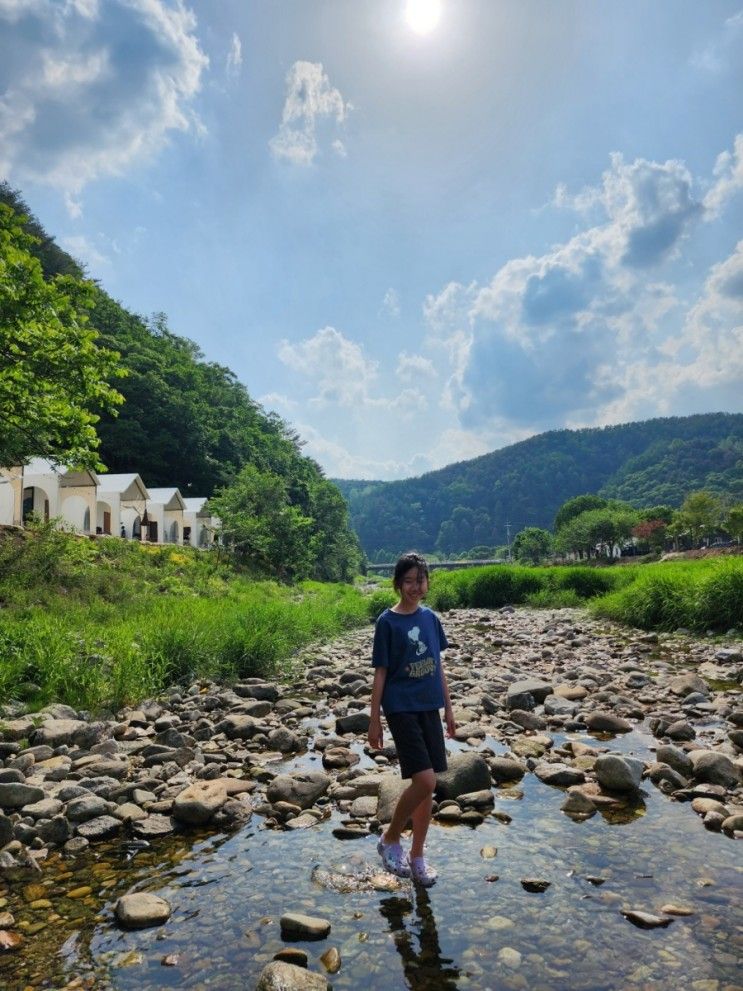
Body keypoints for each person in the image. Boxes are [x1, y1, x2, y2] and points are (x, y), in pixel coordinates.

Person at [368, 551, 456, 886]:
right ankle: (390, 838)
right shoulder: (387, 623)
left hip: (429, 707)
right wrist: (373, 719)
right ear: (397, 583)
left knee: (426, 790)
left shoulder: (431, 619)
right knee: (426, 781)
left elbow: (438, 666)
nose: (415, 587)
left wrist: (448, 710)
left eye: (420, 580)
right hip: (401, 708)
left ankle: (417, 856)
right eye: (408, 581)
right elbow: (381, 674)